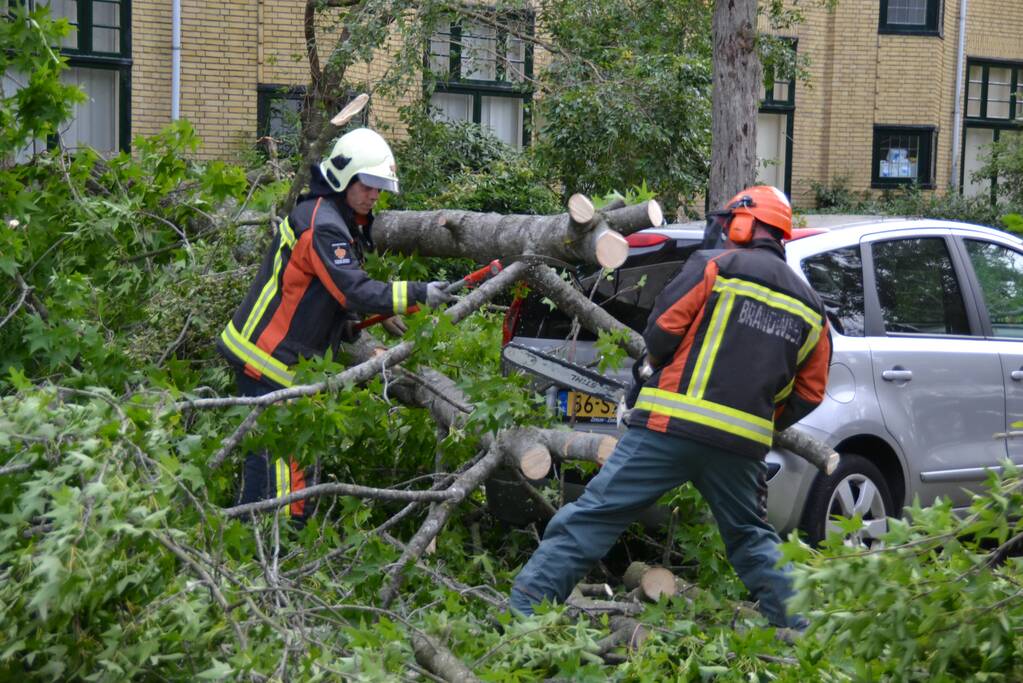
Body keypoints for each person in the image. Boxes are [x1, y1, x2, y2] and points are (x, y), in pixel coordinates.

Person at [510, 185, 832, 629]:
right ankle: (801, 631)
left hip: (668, 427)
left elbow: (662, 331)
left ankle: (524, 610)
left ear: (744, 222)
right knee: (752, 539)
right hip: (741, 448)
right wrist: (763, 417)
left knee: (597, 514)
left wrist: (652, 368)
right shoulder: (811, 306)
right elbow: (811, 392)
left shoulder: (714, 267)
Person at [218, 127, 454, 519]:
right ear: (345, 178)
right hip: (269, 359)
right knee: (281, 474)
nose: (376, 194)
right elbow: (352, 289)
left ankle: (253, 541)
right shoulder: (324, 225)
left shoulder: (331, 215)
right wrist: (417, 293)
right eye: (370, 184)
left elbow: (320, 288)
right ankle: (274, 553)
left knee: (277, 464)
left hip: (280, 356)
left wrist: (343, 322)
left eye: (381, 186)